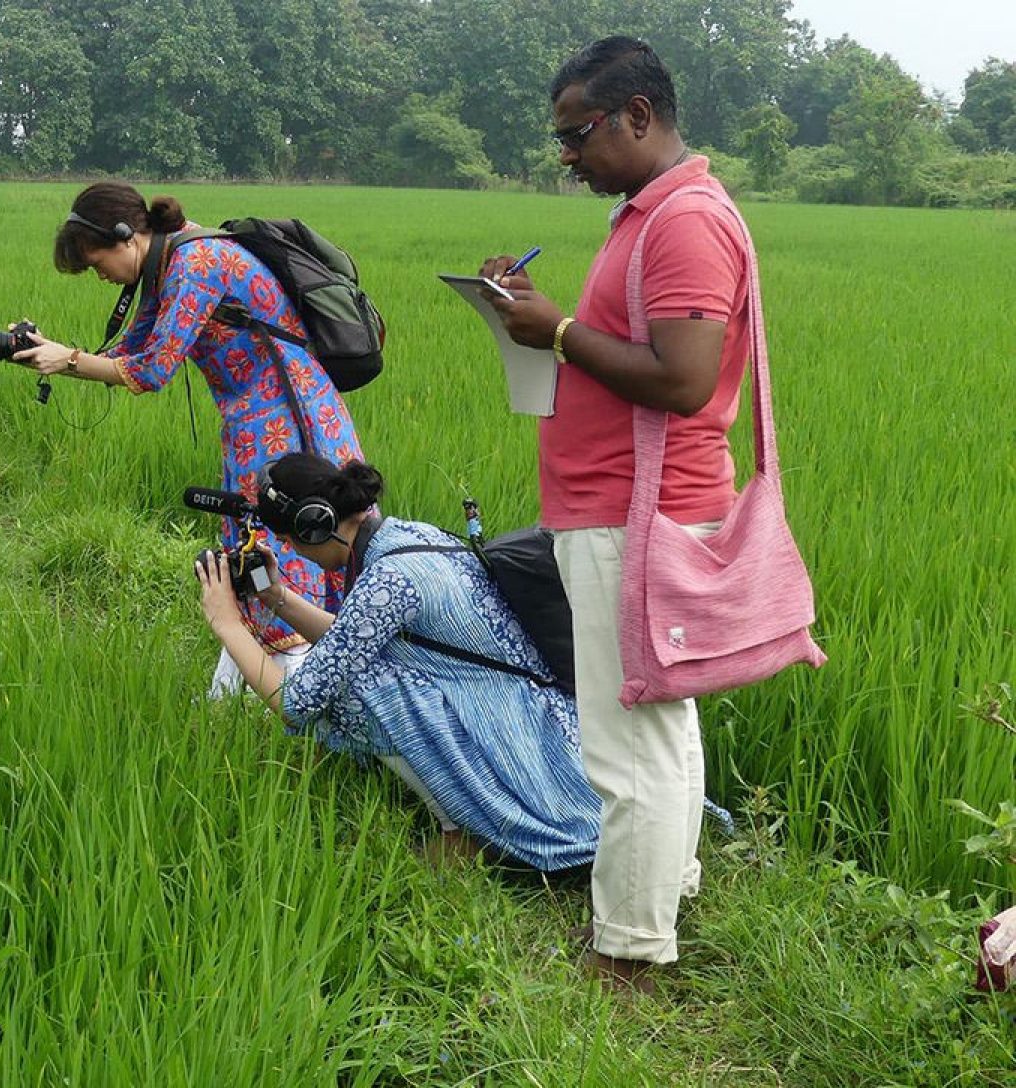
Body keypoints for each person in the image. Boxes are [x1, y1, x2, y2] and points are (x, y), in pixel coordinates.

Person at [480, 37, 760, 992]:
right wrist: (531, 312)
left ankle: (628, 953)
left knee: (624, 740)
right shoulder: (646, 212)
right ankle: (664, 894)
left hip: (635, 515)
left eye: (579, 134)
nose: (568, 156)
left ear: (638, 115)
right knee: (663, 723)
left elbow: (682, 381)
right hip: (626, 507)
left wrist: (552, 329)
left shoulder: (682, 220)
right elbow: (624, 343)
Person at [13, 182, 365, 690]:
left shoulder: (196, 264)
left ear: (126, 235)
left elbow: (153, 370)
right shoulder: (167, 265)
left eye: (97, 264)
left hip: (287, 417)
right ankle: (252, 682)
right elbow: (128, 353)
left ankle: (299, 692)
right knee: (250, 544)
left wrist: (67, 360)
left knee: (283, 541)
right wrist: (52, 353)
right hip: (254, 419)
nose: (101, 276)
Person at [193, 452, 601, 874]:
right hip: (546, 726)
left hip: (537, 766)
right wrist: (274, 595)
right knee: (354, 666)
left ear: (315, 524)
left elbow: (297, 702)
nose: (292, 551)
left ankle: (464, 829)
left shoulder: (388, 581)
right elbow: (353, 635)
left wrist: (227, 622)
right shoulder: (404, 536)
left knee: (352, 691)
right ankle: (462, 810)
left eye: (291, 540)